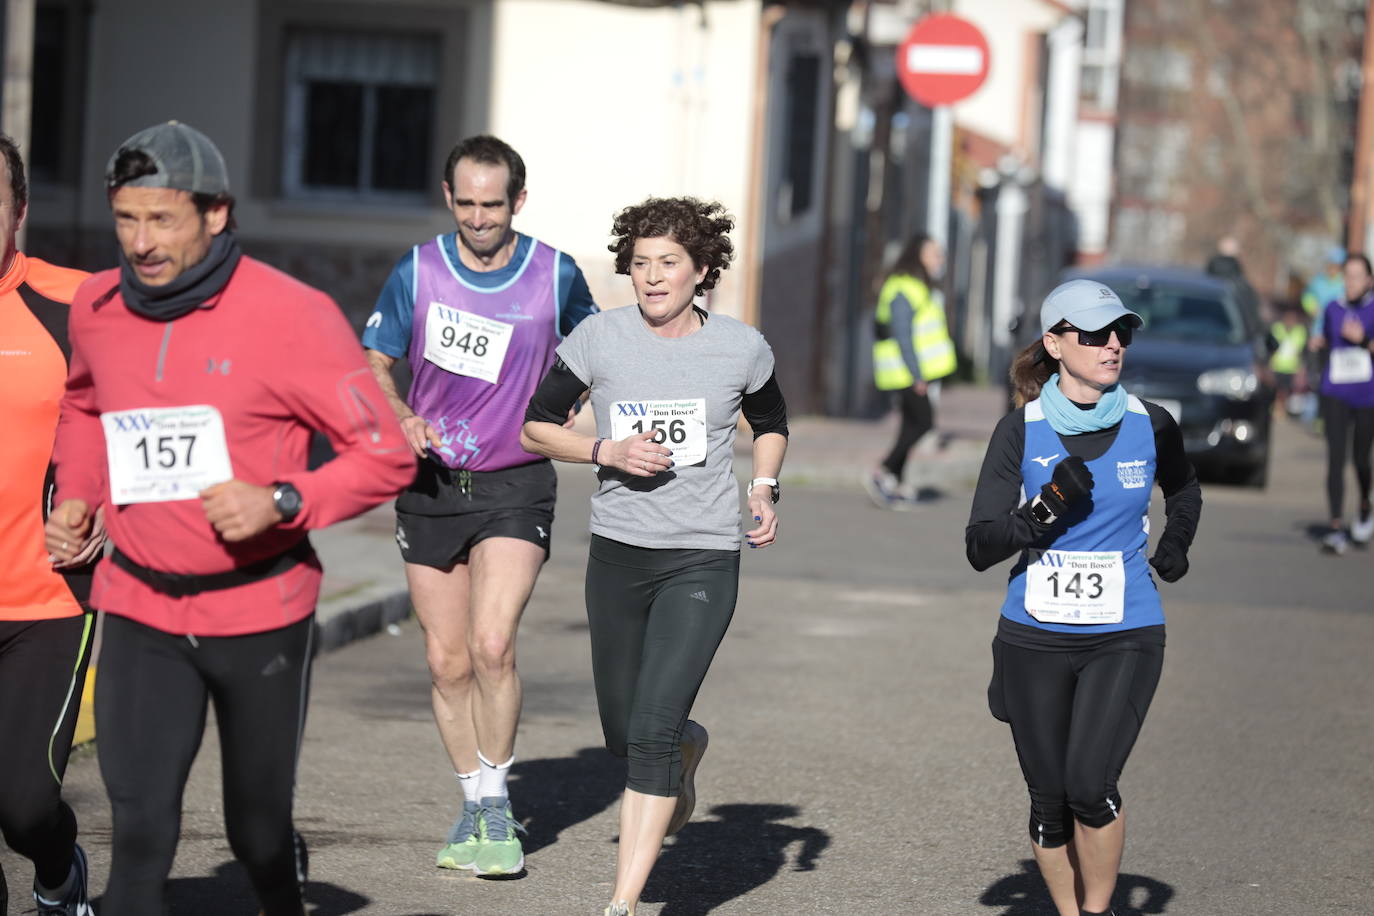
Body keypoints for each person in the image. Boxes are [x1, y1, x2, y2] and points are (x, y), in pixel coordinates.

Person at [44, 121, 414, 915]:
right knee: (138, 842)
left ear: (216, 214)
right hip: (139, 605)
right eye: (125, 219)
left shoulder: (293, 315)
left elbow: (384, 454)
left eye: (162, 219)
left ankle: (281, 893)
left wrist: (283, 502)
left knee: (257, 835)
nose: (140, 242)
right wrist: (77, 492)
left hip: (258, 610)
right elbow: (83, 406)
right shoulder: (98, 308)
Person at [521, 197, 788, 915]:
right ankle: (686, 748)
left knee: (647, 734)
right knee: (623, 732)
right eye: (640, 264)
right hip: (617, 556)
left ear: (702, 269)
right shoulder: (598, 339)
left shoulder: (740, 346)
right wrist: (603, 449)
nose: (651, 277)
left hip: (700, 557)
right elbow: (536, 427)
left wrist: (764, 489)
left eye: (668, 263)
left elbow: (770, 421)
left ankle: (623, 904)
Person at [362, 134, 598, 877]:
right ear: (448, 197)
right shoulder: (420, 269)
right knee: (445, 660)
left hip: (515, 481)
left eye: (491, 204)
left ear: (517, 202)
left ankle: (497, 804)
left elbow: (595, 351)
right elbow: (373, 360)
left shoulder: (554, 273)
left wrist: (561, 412)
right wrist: (399, 415)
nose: (477, 217)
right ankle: (472, 798)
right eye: (464, 203)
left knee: (492, 644)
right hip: (431, 485)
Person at [965, 279, 1201, 916]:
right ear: (1054, 343)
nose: (1113, 345)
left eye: (1121, 332)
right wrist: (1044, 511)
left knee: (1089, 786)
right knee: (1049, 800)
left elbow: (1183, 490)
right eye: (1094, 334)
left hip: (1124, 629)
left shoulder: (1152, 423)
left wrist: (1176, 543)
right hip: (1034, 635)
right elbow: (981, 544)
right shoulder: (1022, 429)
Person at [0, 134, 101, 916]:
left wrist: (107, 505)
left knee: (25, 803)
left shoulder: (79, 304)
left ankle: (60, 873)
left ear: (20, 212)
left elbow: (147, 420)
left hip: (45, 598)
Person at [866, 233, 957, 508]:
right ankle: (883, 470)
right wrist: (916, 374)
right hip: (904, 372)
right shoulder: (904, 288)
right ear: (917, 255)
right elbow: (903, 334)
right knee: (924, 422)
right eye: (934, 254)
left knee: (910, 424)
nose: (939, 259)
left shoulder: (919, 286)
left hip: (911, 371)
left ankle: (895, 479)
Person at [1308, 253, 1374, 554]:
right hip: (1335, 392)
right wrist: (1317, 346)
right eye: (1347, 276)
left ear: (1369, 281)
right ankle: (1336, 527)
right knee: (1335, 459)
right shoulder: (1332, 308)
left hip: (1366, 396)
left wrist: (1362, 340)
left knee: (1360, 458)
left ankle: (1364, 505)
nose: (1351, 282)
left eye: (1357, 276)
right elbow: (1326, 340)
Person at [1269, 306, 1308, 417]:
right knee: (1276, 389)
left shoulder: (1300, 332)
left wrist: (1301, 369)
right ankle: (1276, 407)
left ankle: (1281, 409)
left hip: (1291, 367)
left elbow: (1301, 351)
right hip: (1276, 365)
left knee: (1285, 390)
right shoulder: (1277, 328)